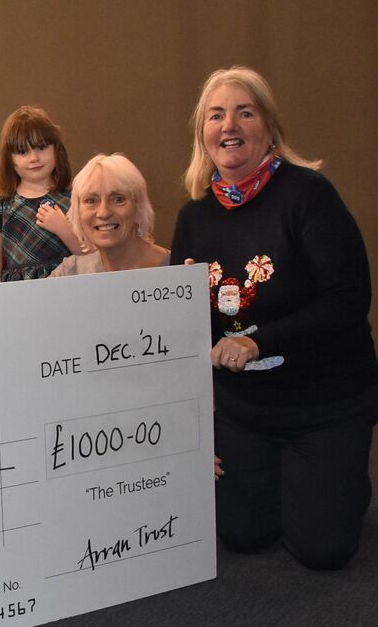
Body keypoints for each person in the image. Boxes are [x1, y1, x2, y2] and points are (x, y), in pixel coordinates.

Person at [170, 65, 377, 570]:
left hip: (325, 403)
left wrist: (259, 341)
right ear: (203, 133)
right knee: (242, 536)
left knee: (322, 550)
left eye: (245, 111)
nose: (229, 125)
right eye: (216, 115)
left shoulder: (308, 195)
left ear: (269, 127)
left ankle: (342, 474)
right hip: (247, 410)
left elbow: (350, 298)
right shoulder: (194, 215)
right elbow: (179, 323)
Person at [0, 105, 84, 283]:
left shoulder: (75, 199)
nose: (34, 158)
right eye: (22, 151)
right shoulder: (0, 208)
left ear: (56, 150)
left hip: (66, 287)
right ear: (9, 159)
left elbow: (91, 256)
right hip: (20, 296)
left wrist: (64, 230)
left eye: (41, 147)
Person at [49, 154, 169, 277]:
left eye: (118, 199)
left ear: (139, 207)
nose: (103, 213)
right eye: (91, 201)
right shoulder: (70, 272)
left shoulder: (177, 269)